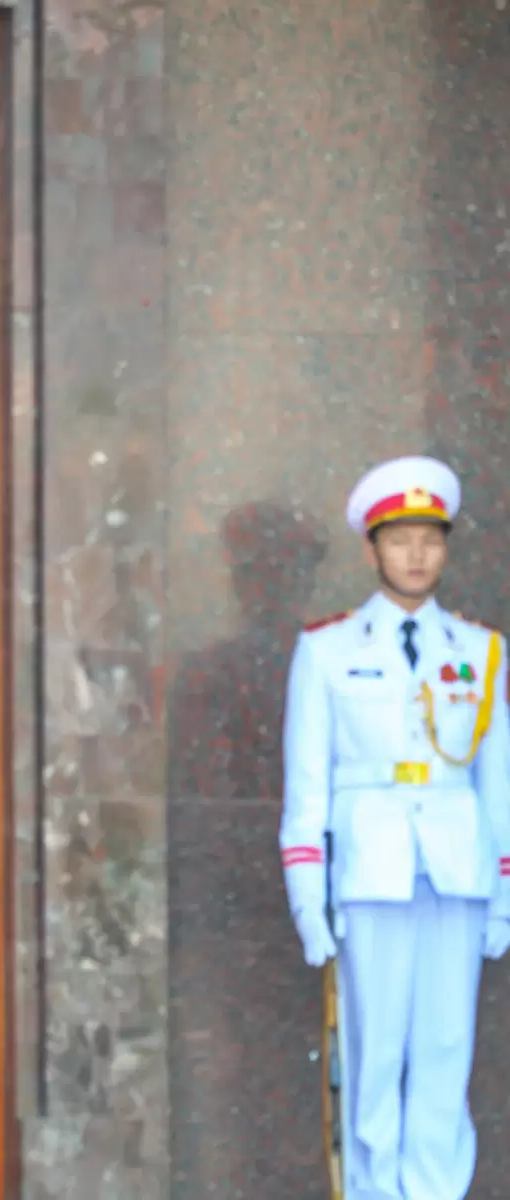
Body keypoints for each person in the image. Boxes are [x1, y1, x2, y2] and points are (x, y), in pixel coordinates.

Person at [281, 455, 510, 1200]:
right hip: (371, 875)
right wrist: (306, 898)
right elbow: (306, 786)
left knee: (446, 1048)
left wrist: (506, 886)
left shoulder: (481, 652)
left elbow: (497, 779)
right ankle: (376, 1192)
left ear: (446, 549)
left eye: (431, 539)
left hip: (457, 870)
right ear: (372, 548)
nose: (417, 555)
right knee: (375, 1053)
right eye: (401, 539)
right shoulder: (327, 651)